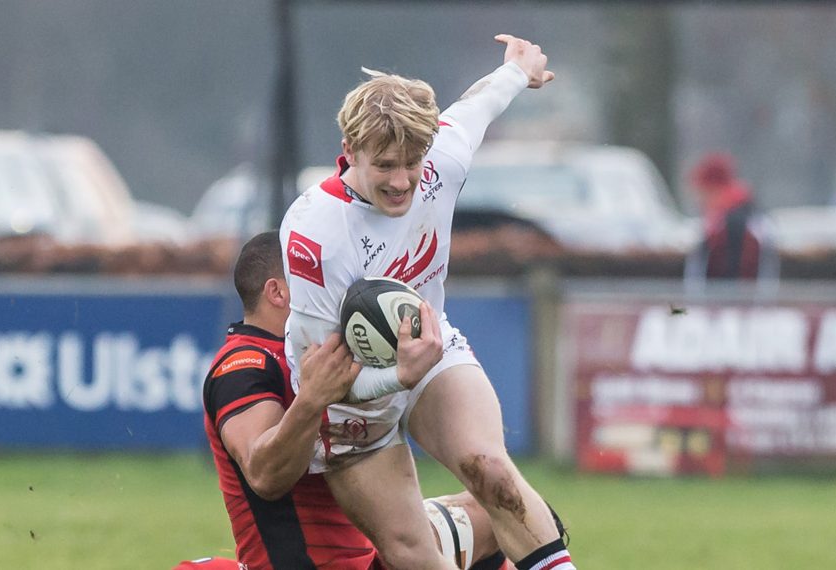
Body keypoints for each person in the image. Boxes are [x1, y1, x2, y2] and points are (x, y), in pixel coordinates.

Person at [280, 35, 576, 570]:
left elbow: (478, 105)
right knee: (415, 555)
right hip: (349, 406)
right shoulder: (314, 234)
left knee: (490, 468)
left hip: (431, 348)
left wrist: (518, 70)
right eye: (385, 165)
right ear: (349, 152)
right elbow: (320, 378)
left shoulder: (440, 160)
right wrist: (397, 375)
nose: (402, 182)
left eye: (412, 163)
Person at [194, 231, 520, 570]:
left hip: (375, 555)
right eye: (311, 281)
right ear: (277, 292)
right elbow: (264, 476)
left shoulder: (324, 350)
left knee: (502, 509)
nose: (327, 289)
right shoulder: (244, 365)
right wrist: (311, 401)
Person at [683, 151, 778, 282]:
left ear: (713, 189)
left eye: (701, 192)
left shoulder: (735, 223)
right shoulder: (729, 219)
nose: (698, 200)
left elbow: (735, 277)